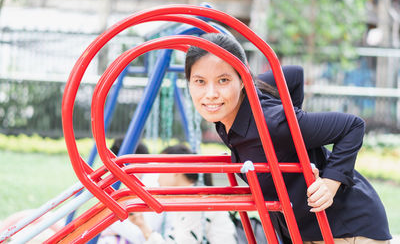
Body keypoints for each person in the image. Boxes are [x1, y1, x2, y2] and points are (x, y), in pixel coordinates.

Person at [184, 33, 392, 243]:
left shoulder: (273, 123)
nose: (210, 93)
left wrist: (329, 183)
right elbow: (293, 74)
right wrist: (293, 146)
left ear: (242, 80)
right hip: (309, 231)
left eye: (223, 80)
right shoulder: (230, 113)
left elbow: (352, 126)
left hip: (348, 230)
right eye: (200, 81)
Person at [130, 144, 237, 244]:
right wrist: (143, 225)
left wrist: (144, 227)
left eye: (160, 169)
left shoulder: (196, 202)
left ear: (175, 169)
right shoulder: (191, 198)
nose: (158, 178)